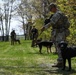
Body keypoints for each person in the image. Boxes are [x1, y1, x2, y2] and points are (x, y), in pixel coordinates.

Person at [41, 3, 70, 67]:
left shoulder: (57, 14)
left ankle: (60, 62)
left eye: (51, 8)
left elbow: (51, 23)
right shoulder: (60, 13)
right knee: (61, 47)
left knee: (59, 47)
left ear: (54, 7)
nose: (50, 10)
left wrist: (44, 27)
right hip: (61, 32)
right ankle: (62, 61)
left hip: (60, 32)